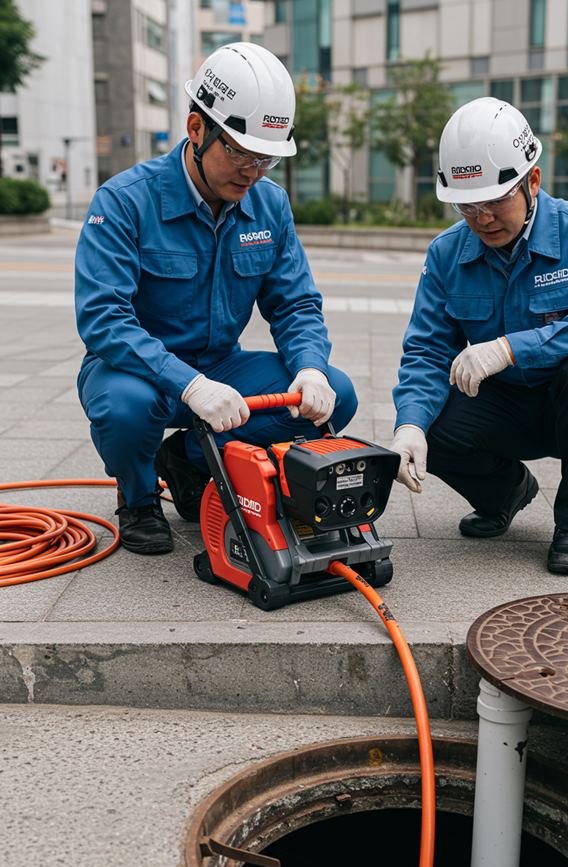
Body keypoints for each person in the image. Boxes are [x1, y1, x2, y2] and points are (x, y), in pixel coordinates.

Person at [74, 43, 357, 555]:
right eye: (240, 152)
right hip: (137, 370)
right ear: (196, 129)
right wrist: (188, 384)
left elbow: (294, 304)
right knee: (125, 410)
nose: (252, 170)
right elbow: (104, 318)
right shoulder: (124, 201)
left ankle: (186, 459)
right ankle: (137, 500)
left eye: (266, 157)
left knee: (334, 393)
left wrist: (311, 367)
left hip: (221, 366)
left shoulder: (269, 205)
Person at [390, 97, 568, 575]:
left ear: (533, 181)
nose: (481, 217)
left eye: (495, 199)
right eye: (467, 204)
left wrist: (509, 348)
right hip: (504, 409)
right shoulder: (447, 254)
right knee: (433, 421)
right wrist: (410, 427)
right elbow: (426, 349)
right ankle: (506, 493)